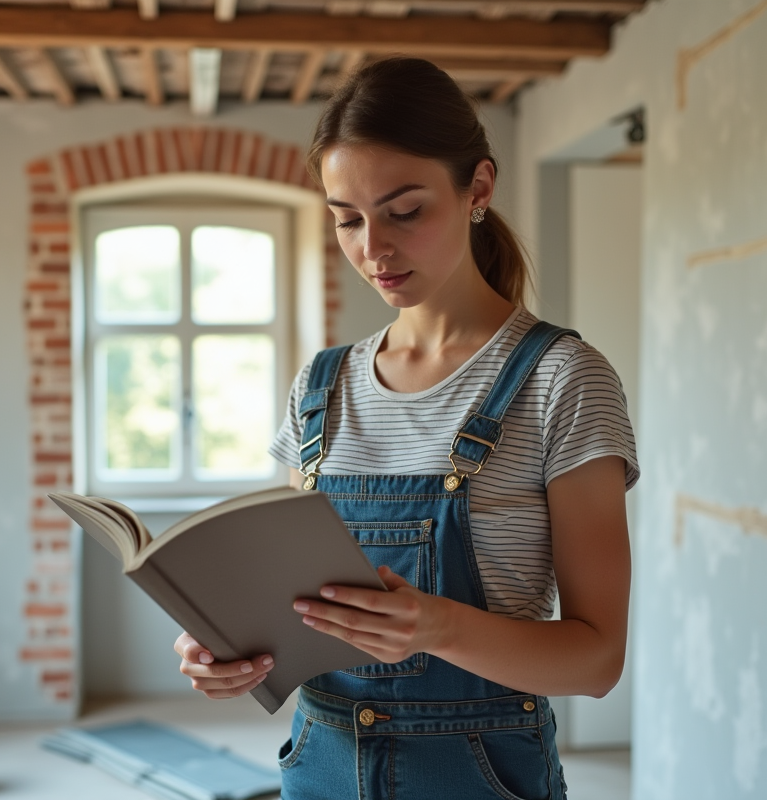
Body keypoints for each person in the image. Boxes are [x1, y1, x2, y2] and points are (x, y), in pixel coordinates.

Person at [173, 56, 637, 800]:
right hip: (318, 766)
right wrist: (227, 650)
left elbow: (597, 660)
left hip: (480, 775)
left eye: (405, 210)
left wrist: (437, 626)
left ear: (477, 189)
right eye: (346, 219)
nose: (372, 249)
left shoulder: (563, 380)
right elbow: (293, 611)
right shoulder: (320, 387)